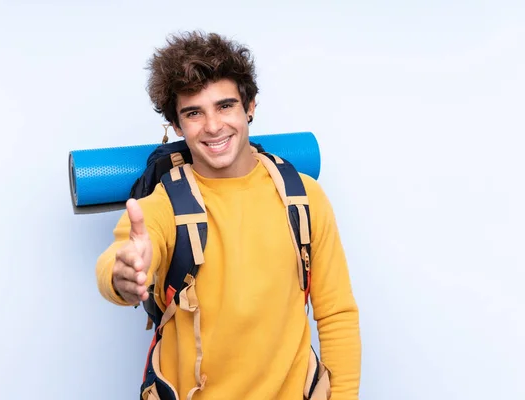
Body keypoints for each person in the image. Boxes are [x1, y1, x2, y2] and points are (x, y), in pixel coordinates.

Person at [95, 31, 361, 400]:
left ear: (249, 107)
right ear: (176, 126)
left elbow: (337, 314)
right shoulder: (164, 204)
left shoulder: (304, 197)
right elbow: (123, 254)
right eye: (194, 113)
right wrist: (122, 276)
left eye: (225, 106)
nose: (214, 126)